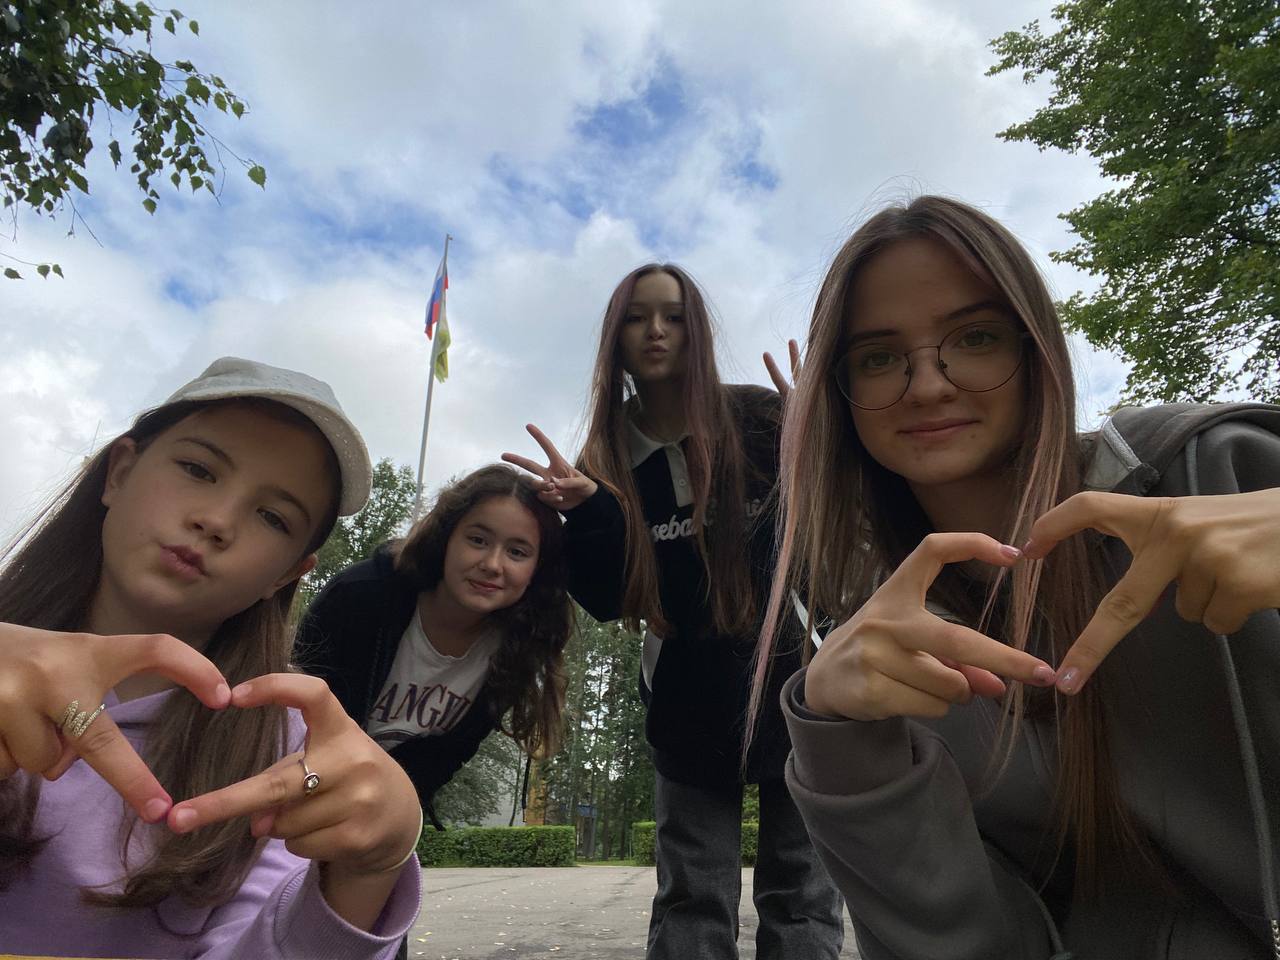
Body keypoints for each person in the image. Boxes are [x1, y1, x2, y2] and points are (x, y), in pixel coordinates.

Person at [749, 196, 1280, 958]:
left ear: (1036, 352)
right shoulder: (892, 661)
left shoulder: (1205, 472)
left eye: (975, 338)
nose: (927, 385)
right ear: (841, 396)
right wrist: (841, 750)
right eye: (878, 357)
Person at [0, 357, 424, 958]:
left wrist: (367, 873)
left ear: (286, 575)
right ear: (119, 471)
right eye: (198, 469)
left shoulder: (288, 749)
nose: (217, 521)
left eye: (273, 517)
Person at [503, 263, 843, 959]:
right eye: (636, 317)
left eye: (674, 316)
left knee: (803, 891)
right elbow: (610, 598)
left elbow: (834, 528)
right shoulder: (604, 458)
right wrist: (592, 512)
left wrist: (825, 441)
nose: (655, 331)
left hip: (801, 675)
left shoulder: (762, 418)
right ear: (614, 339)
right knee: (692, 893)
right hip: (688, 692)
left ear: (698, 332)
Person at [295, 463, 572, 828]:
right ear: (446, 538)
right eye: (478, 540)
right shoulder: (360, 595)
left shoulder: (515, 651)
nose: (492, 564)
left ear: (537, 569)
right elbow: (290, 715)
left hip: (377, 814)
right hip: (290, 778)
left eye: (517, 552)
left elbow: (441, 763)